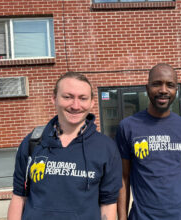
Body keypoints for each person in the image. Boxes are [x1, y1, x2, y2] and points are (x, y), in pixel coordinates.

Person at [7, 72, 122, 220]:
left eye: (83, 98)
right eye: (67, 97)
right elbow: (18, 196)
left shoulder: (107, 148)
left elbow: (108, 204)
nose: (75, 105)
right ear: (54, 99)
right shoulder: (33, 142)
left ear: (92, 102)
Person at [115, 63, 181, 220]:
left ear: (176, 90)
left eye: (170, 85)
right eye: (157, 84)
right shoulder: (127, 127)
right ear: (147, 87)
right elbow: (123, 177)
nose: (163, 90)